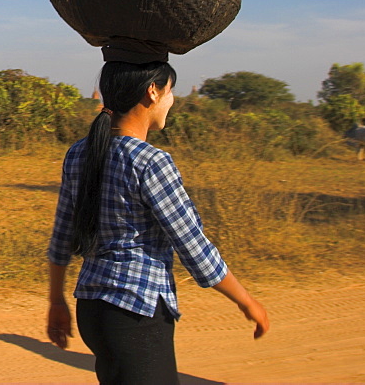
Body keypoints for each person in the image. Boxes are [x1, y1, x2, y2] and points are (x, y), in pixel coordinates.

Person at [46, 60, 269, 385]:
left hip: (91, 310)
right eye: (170, 91)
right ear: (153, 92)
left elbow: (61, 237)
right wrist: (247, 302)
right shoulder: (151, 162)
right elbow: (195, 249)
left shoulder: (78, 153)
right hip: (136, 312)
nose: (172, 100)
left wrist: (56, 300)